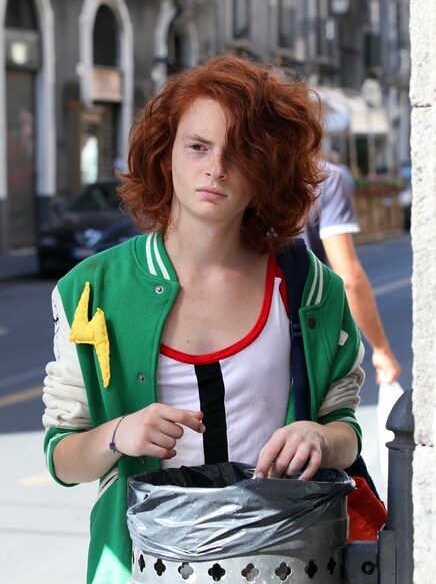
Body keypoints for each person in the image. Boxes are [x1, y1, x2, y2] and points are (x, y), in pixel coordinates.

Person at [42, 54, 365, 584]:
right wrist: (120, 433)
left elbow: (346, 429)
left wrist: (319, 438)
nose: (216, 168)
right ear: (165, 154)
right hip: (142, 566)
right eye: (198, 146)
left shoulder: (310, 288)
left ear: (269, 169)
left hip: (283, 565)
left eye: (241, 153)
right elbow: (62, 458)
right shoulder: (91, 292)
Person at [302, 159, 402, 385]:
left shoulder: (240, 170)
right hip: (303, 333)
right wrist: (381, 349)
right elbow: (348, 278)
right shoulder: (324, 177)